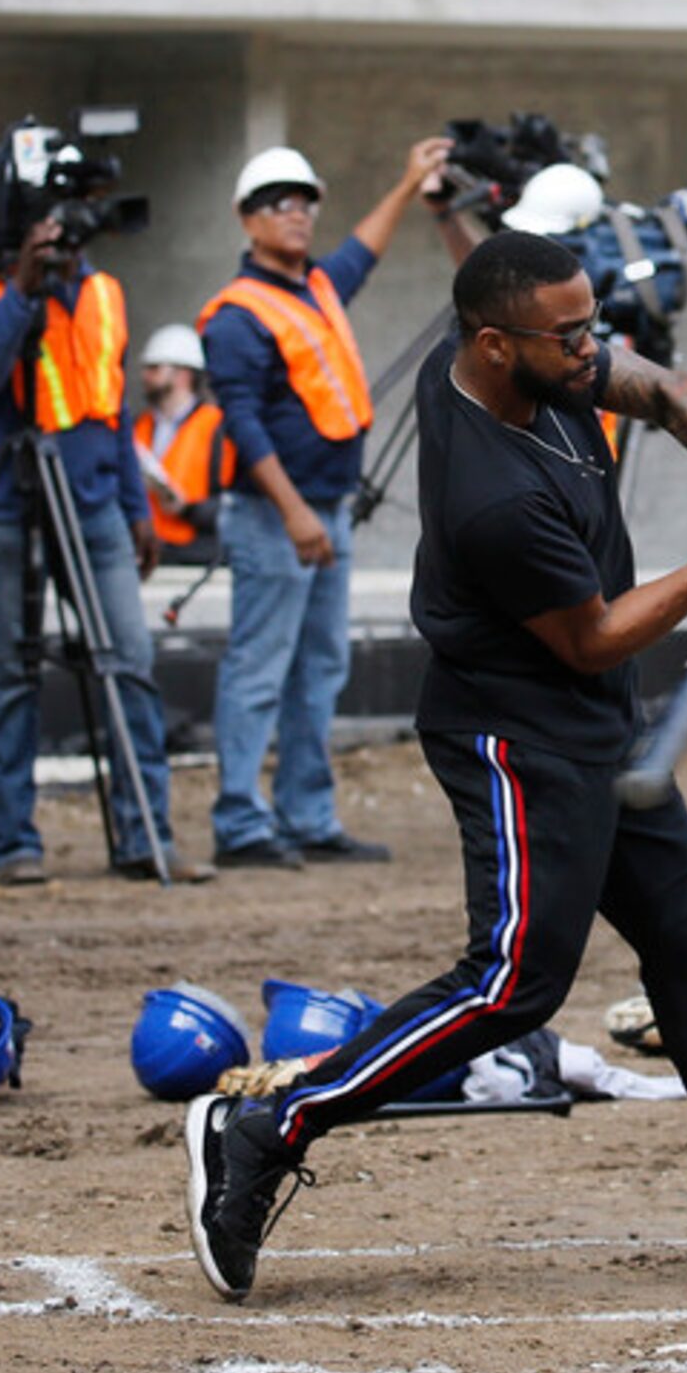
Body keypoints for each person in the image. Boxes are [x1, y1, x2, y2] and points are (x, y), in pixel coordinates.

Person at [184, 230, 687, 1302]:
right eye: (571, 334)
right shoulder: (491, 496)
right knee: (512, 983)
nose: (592, 348)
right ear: (497, 346)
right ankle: (270, 1124)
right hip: (514, 737)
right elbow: (594, 636)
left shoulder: (521, 359)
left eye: (589, 321)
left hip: (599, 725)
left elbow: (666, 384)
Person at [197, 138, 461, 870]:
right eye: (279, 204)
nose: (298, 215)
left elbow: (362, 252)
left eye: (305, 202)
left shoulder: (312, 288)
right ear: (247, 222)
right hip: (277, 516)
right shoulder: (235, 315)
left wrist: (409, 184)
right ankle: (242, 824)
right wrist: (293, 512)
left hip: (325, 510)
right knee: (260, 667)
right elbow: (242, 423)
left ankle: (307, 815)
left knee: (319, 668)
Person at [0, 165, 209, 887]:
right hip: (8, 504)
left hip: (97, 500)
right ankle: (15, 845)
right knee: (13, 672)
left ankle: (146, 839)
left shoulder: (103, 291)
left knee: (129, 661)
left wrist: (136, 507)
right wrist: (26, 290)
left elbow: (109, 406)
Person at [133, 324, 234, 567]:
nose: (145, 376)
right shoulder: (141, 425)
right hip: (150, 550)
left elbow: (232, 504)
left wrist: (187, 509)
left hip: (196, 554)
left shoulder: (217, 426)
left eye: (154, 369)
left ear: (183, 375)